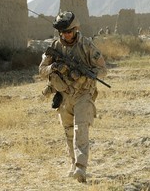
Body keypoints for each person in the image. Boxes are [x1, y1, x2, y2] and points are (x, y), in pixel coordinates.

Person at [39, 11, 107, 183]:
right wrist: (54, 67)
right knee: (68, 131)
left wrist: (87, 74)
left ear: (76, 29)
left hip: (83, 93)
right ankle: (73, 163)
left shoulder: (86, 45)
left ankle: (81, 167)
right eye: (63, 32)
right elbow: (41, 70)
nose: (67, 34)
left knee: (80, 128)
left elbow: (103, 70)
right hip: (64, 95)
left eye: (69, 31)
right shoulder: (55, 47)